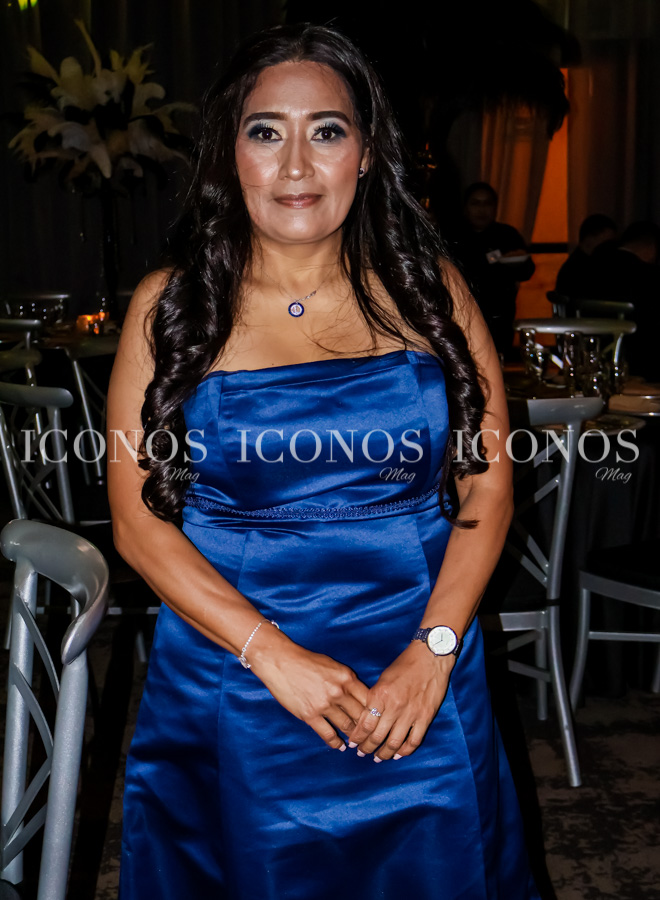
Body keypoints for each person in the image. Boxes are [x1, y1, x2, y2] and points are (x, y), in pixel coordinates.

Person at [109, 23, 540, 899]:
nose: (296, 165)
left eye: (328, 131)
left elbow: (488, 486)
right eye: (266, 132)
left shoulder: (431, 291)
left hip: (420, 662)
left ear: (368, 154)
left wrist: (435, 649)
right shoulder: (172, 305)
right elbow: (137, 524)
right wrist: (272, 656)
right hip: (237, 671)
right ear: (230, 154)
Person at [450, 182, 535, 358]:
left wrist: (514, 263)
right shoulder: (453, 235)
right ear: (465, 207)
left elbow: (527, 271)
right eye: (475, 203)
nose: (482, 209)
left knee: (498, 359)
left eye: (487, 203)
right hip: (461, 314)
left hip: (499, 316)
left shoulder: (507, 235)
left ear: (495, 207)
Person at [585, 221, 660, 381]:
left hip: (591, 347)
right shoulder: (645, 275)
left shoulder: (591, 265)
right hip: (636, 357)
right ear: (651, 247)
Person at [555, 213, 617, 303]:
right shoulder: (579, 269)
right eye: (606, 242)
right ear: (590, 238)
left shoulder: (576, 263)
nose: (610, 247)